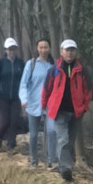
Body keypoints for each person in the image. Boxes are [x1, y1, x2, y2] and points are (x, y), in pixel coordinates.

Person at [42, 39, 92, 182]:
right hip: (59, 111)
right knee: (62, 138)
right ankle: (66, 168)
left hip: (76, 111)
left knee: (70, 141)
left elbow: (88, 90)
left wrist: (85, 106)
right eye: (67, 50)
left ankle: (65, 165)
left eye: (72, 50)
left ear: (76, 52)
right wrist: (44, 105)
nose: (69, 53)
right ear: (61, 52)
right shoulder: (54, 70)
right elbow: (47, 89)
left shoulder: (82, 70)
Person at [20, 38, 58, 168]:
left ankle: (51, 161)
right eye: (41, 47)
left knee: (52, 131)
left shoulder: (54, 66)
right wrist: (24, 99)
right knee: (34, 135)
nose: (43, 50)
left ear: (49, 48)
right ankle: (33, 160)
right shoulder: (31, 64)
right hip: (33, 103)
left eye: (45, 47)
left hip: (50, 104)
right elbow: (23, 84)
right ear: (37, 49)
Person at [0, 37, 24, 152]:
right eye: (9, 49)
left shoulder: (20, 63)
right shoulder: (0, 63)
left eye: (14, 49)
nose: (12, 51)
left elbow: (24, 80)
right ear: (5, 50)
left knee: (14, 120)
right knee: (5, 120)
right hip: (2, 97)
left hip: (16, 97)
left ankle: (11, 144)